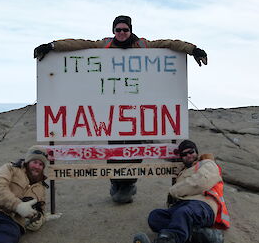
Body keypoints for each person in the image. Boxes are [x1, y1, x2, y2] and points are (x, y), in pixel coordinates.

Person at [34, 15, 208, 204]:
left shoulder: (143, 46)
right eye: (118, 30)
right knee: (115, 151)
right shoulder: (106, 46)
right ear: (113, 31)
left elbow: (169, 43)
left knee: (137, 150)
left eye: (125, 29)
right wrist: (52, 46)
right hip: (115, 112)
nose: (122, 33)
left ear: (131, 30)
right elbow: (80, 44)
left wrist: (193, 50)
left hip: (139, 112)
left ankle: (128, 184)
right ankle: (116, 183)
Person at [133, 140, 230, 243]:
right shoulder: (182, 172)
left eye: (191, 152)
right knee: (155, 216)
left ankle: (168, 240)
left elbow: (200, 183)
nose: (188, 155)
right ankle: (199, 234)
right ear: (181, 157)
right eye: (184, 154)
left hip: (203, 206)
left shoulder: (207, 163)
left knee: (183, 213)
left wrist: (173, 191)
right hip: (183, 206)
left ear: (196, 152)